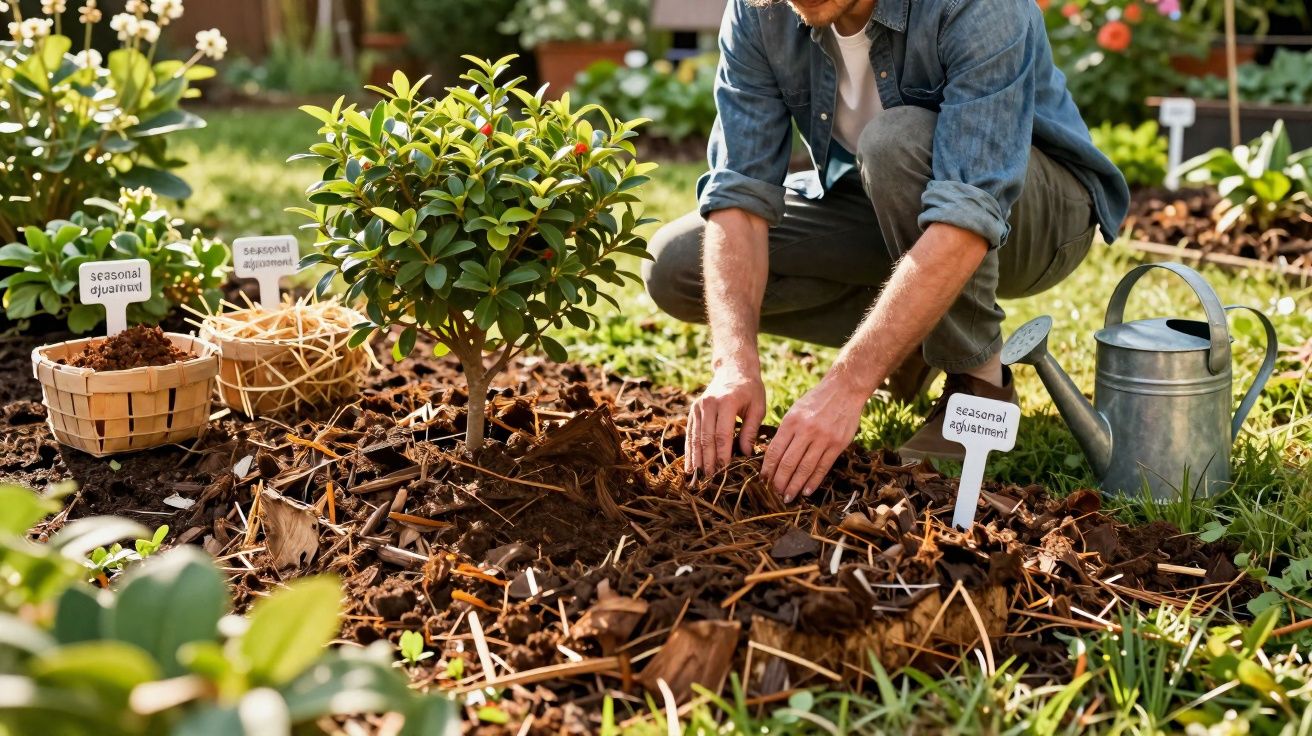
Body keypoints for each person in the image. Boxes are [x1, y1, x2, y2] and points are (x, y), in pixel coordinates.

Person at [642, 0, 1129, 503]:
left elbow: (968, 214)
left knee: (896, 142)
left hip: (1038, 218)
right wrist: (734, 365)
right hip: (888, 202)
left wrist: (846, 387)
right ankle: (913, 341)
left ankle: (979, 378)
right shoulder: (759, 10)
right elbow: (738, 199)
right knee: (677, 262)